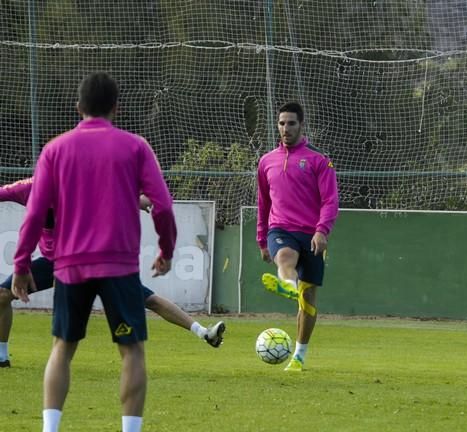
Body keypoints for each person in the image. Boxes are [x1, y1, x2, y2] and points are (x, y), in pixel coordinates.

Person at [11, 72, 176, 432]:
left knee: (62, 347)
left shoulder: (55, 149)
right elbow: (162, 204)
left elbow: (36, 212)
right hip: (119, 264)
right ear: (116, 108)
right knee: (131, 350)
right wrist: (166, 248)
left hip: (69, 265)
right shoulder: (135, 146)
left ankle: (50, 429)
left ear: (78, 107)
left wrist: (21, 263)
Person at [0, 180, 225, 368]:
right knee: (2, 295)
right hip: (54, 262)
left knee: (149, 300)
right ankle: (2, 357)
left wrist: (148, 201)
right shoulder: (27, 188)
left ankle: (204, 332)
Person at [256, 101, 339, 372]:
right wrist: (261, 239)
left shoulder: (318, 159)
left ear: (301, 125)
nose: (285, 128)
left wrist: (322, 230)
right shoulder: (266, 161)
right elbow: (263, 203)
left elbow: (330, 200)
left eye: (291, 123)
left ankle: (299, 356)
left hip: (312, 234)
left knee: (309, 299)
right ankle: (287, 286)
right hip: (280, 228)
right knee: (285, 257)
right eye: (281, 123)